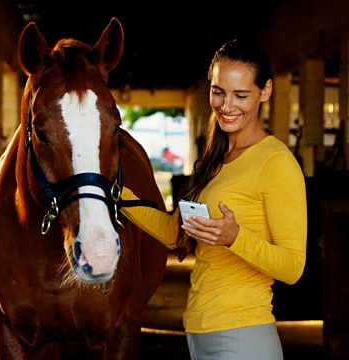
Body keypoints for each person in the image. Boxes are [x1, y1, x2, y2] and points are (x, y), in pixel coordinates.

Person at [121, 39, 307, 360]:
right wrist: (117, 195)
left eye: (241, 95)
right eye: (218, 91)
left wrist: (235, 238)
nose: (226, 105)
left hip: (243, 334)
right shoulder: (217, 159)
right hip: (200, 329)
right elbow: (174, 232)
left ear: (265, 91)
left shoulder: (276, 162)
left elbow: (293, 267)